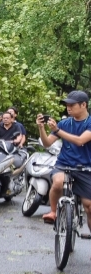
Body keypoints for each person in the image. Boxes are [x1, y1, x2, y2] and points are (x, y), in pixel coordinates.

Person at [38, 91, 91, 225]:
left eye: (72, 105)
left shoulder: (89, 123)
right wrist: (41, 128)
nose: (68, 107)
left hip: (85, 168)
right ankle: (53, 211)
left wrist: (57, 131)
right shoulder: (64, 123)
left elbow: (80, 141)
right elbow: (47, 143)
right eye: (67, 104)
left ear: (83, 105)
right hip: (63, 165)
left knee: (89, 206)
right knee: (57, 183)